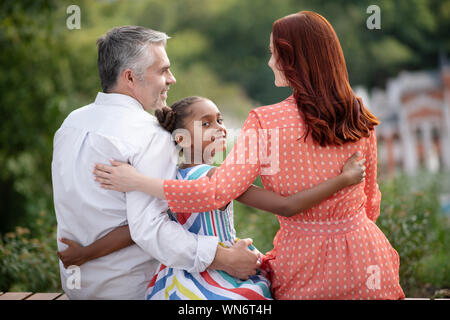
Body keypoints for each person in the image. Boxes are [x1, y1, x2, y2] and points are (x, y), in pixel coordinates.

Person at [92, 12, 406, 300]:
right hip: (367, 257)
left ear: (291, 59)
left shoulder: (266, 122)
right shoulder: (359, 114)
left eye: (274, 53)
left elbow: (214, 193)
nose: (270, 62)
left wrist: (137, 182)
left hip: (306, 267)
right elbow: (371, 200)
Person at [60, 96, 366, 300]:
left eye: (219, 120)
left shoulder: (164, 180)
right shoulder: (216, 179)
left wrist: (85, 254)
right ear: (180, 138)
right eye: (205, 123)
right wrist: (343, 179)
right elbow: (287, 206)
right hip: (216, 277)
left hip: (175, 282)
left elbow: (134, 232)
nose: (219, 128)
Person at [51, 26, 260, 300]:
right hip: (134, 289)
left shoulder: (71, 123)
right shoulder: (149, 134)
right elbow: (149, 228)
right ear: (129, 78)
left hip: (78, 287)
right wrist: (224, 258)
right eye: (162, 70)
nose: (171, 79)